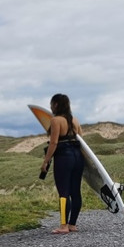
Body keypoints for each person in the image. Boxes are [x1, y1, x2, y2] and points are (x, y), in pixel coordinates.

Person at [40, 93, 84, 234]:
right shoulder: (75, 120)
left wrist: (46, 161)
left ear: (56, 105)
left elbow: (54, 143)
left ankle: (63, 226)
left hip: (64, 158)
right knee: (75, 191)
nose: (50, 107)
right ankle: (72, 224)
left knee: (63, 191)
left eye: (51, 104)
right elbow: (81, 140)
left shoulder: (56, 120)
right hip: (78, 157)